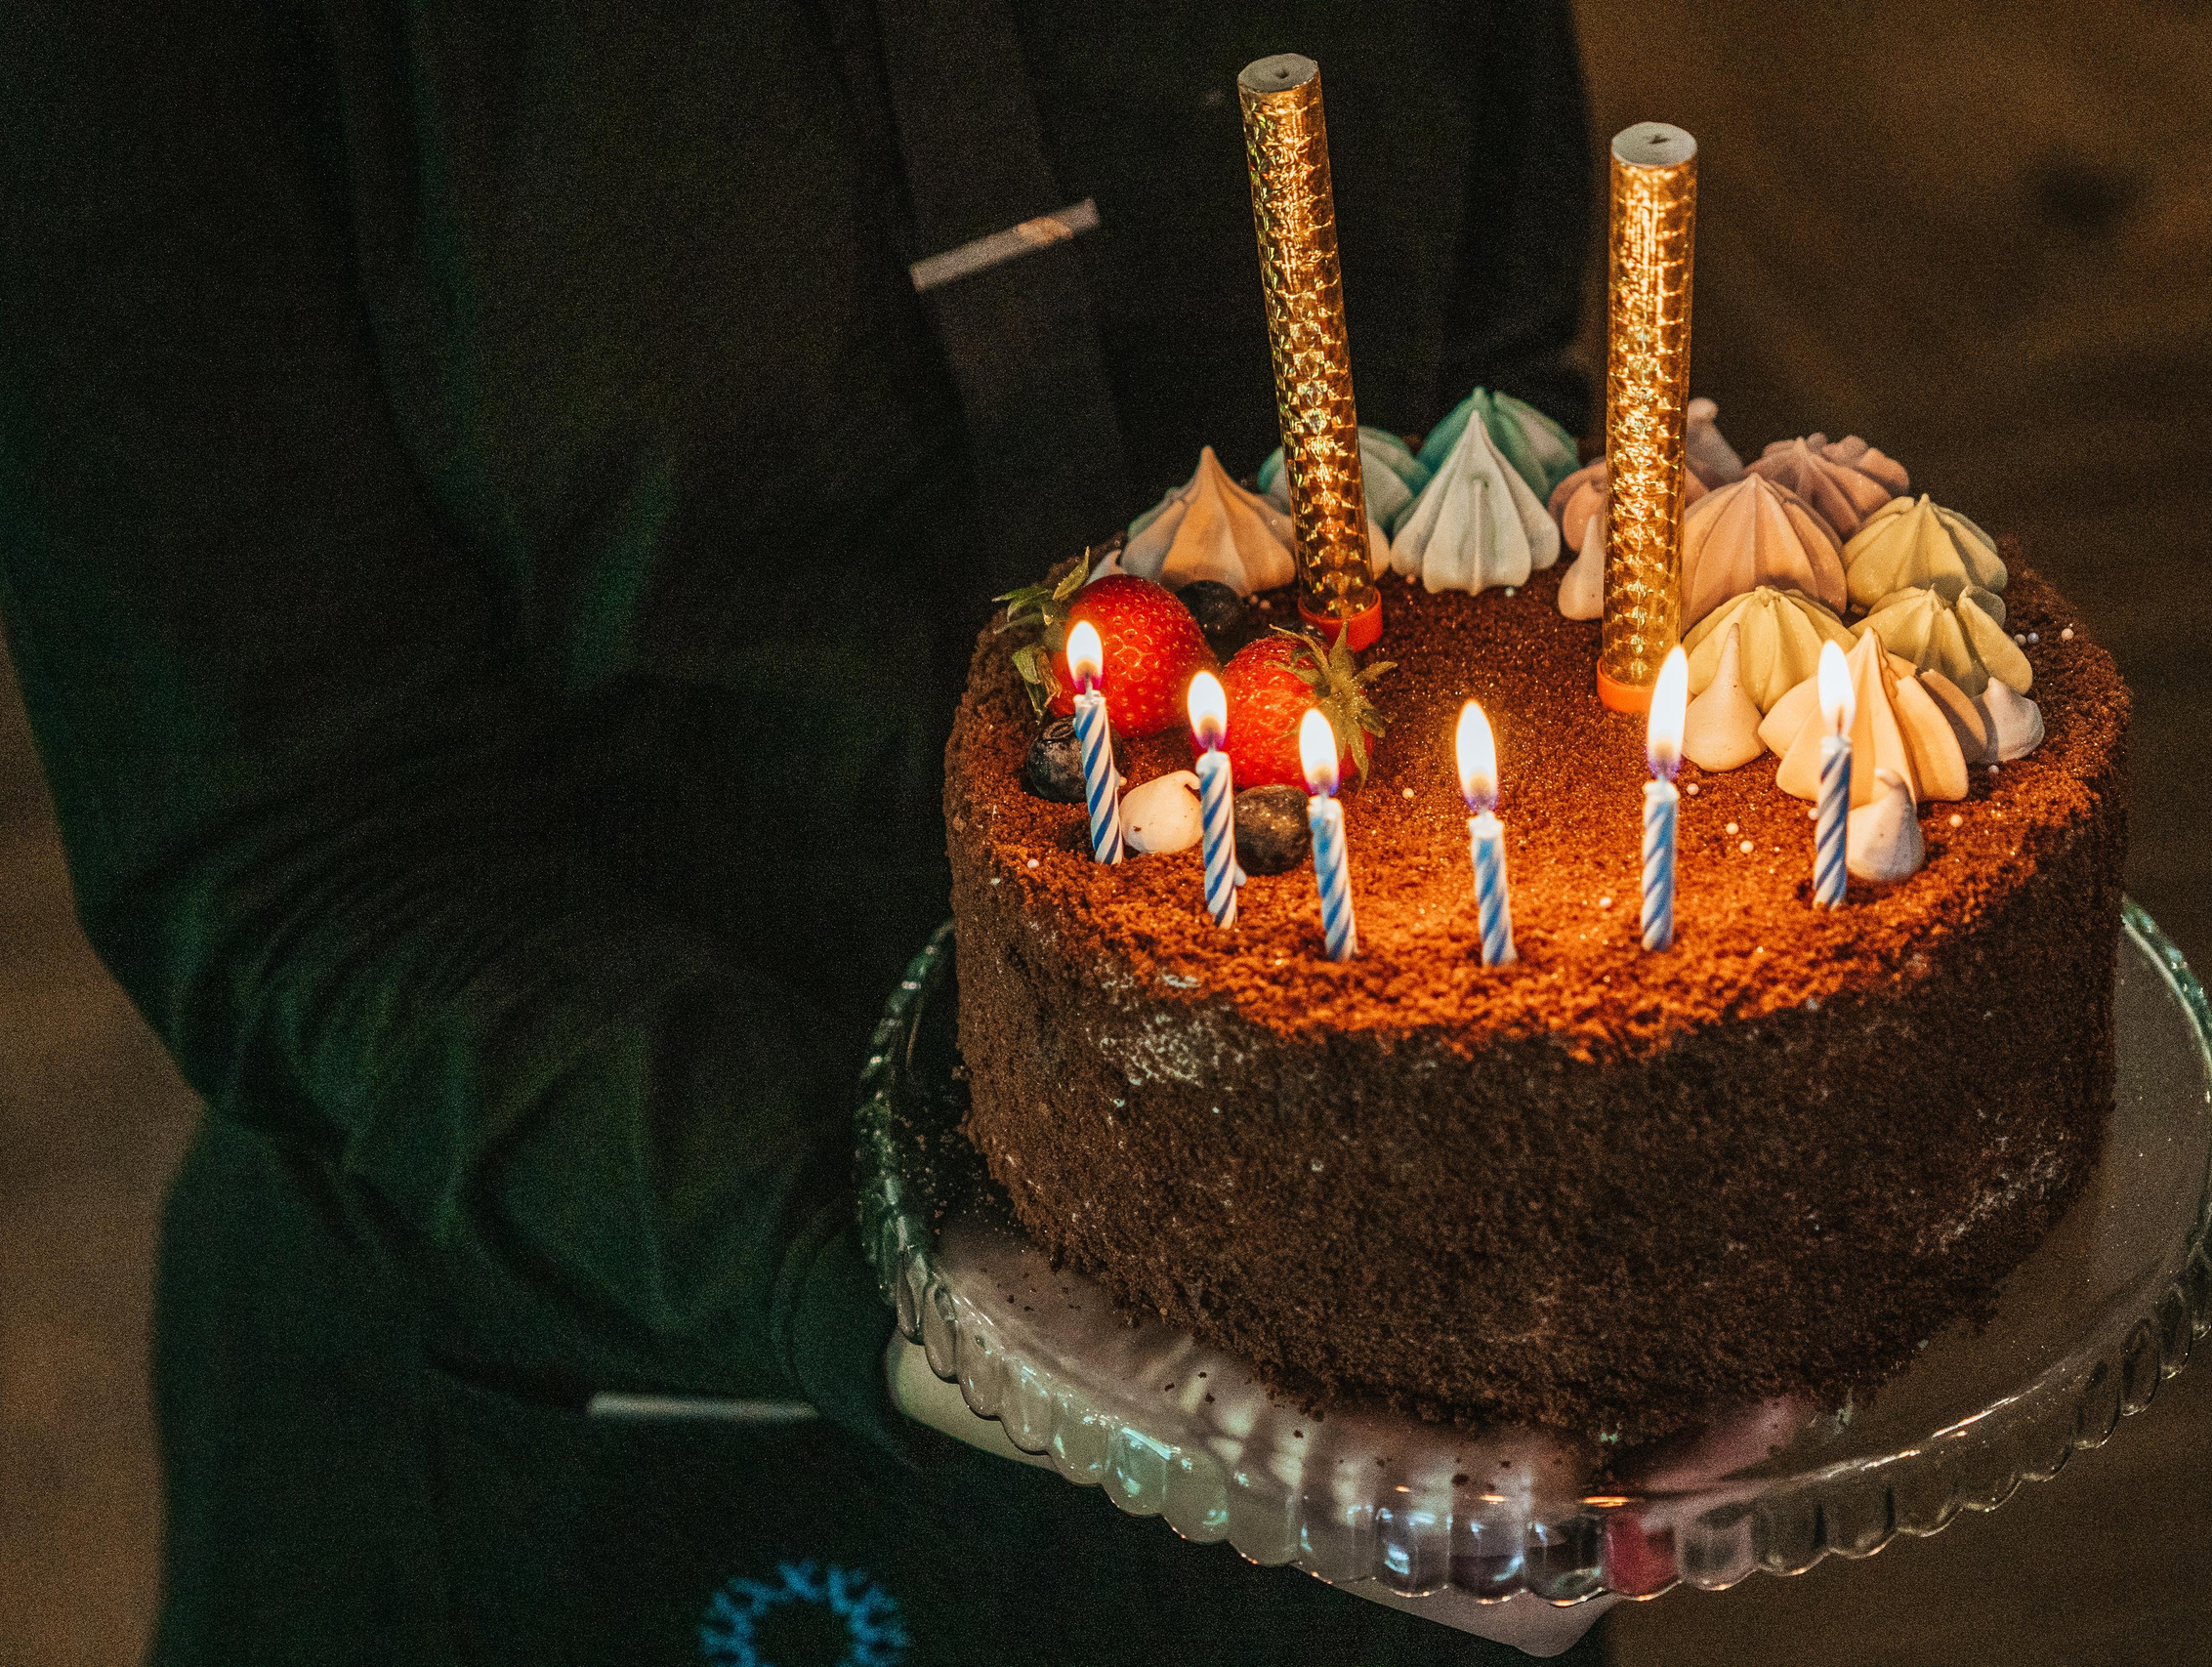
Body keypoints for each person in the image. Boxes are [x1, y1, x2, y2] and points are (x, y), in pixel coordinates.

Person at [0, 0, 1592, 1659]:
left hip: (1416, 1353)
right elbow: (296, 847)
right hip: (600, 1392)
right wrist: (928, 1275)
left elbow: (1500, 419)